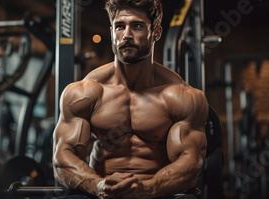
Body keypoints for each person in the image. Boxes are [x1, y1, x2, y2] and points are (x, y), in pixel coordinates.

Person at [52, 0, 209, 198]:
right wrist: (98, 186)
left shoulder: (181, 97)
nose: (126, 35)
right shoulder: (84, 93)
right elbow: (62, 159)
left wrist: (149, 188)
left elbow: (191, 164)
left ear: (156, 33)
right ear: (111, 32)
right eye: (119, 26)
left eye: (137, 26)